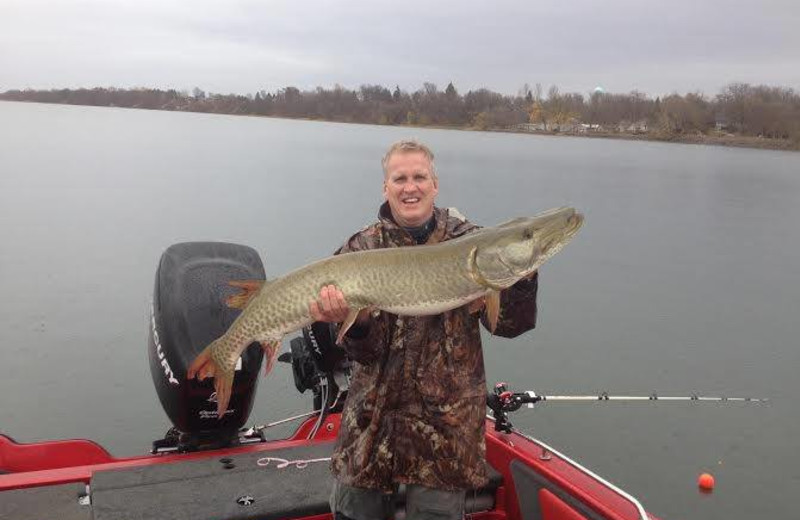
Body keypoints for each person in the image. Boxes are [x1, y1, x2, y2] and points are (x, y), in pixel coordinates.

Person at [309, 140, 539, 520]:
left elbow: (511, 327)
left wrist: (522, 278)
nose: (410, 186)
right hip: (371, 426)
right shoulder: (361, 248)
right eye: (400, 178)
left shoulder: (473, 244)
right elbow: (360, 355)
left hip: (444, 433)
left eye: (419, 177)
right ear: (386, 187)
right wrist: (356, 321)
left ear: (435, 184)